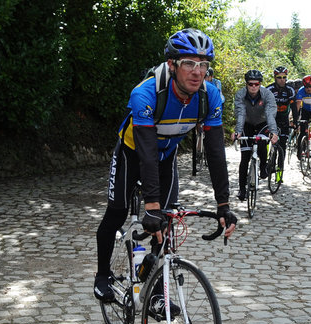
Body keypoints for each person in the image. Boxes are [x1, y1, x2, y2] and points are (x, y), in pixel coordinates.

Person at [94, 28, 237, 302]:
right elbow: (146, 152)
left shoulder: (210, 96)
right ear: (172, 65)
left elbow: (216, 153)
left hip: (166, 156)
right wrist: (151, 206)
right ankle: (102, 275)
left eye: (204, 65)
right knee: (117, 212)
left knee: (166, 221)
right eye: (189, 63)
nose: (198, 72)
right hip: (133, 153)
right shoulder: (146, 93)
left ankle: (158, 292)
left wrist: (224, 205)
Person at [232, 69, 279, 200]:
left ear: (260, 84)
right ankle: (242, 189)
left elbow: (270, 115)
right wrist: (238, 131)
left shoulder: (267, 94)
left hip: (262, 122)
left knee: (262, 142)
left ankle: (263, 166)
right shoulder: (240, 94)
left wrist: (273, 132)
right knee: (245, 157)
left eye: (256, 84)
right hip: (246, 123)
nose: (253, 87)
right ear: (246, 84)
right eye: (250, 84)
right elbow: (240, 114)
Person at [266, 66, 296, 143]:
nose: (282, 80)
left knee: (283, 143)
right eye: (279, 77)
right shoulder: (269, 89)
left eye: (284, 77)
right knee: (265, 141)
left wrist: (295, 121)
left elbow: (294, 107)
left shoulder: (290, 90)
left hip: (284, 119)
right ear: (275, 78)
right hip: (271, 119)